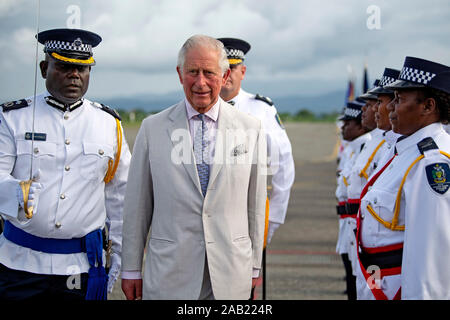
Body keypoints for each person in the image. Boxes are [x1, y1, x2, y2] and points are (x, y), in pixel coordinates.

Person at [120, 35, 267, 300]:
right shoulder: (152, 129)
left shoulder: (251, 129)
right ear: (179, 74)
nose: (200, 82)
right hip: (169, 275)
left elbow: (255, 205)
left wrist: (255, 264)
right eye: (192, 72)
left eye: (209, 73)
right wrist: (130, 269)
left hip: (230, 274)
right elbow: (137, 206)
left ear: (224, 76)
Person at [0, 28, 131, 300]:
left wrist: (121, 254)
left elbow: (120, 197)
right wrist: (14, 193)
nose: (75, 75)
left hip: (81, 267)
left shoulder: (109, 125)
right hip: (18, 265)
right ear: (44, 68)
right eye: (64, 66)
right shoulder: (13, 118)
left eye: (82, 68)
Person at [356, 56, 450, 300]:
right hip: (380, 283)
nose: (388, 107)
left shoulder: (431, 162)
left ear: (428, 107)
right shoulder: (405, 150)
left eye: (399, 99)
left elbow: (431, 258)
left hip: (399, 289)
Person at [217, 37, 295, 245]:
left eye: (232, 68)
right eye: (222, 68)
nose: (227, 74)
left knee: (249, 277)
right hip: (208, 214)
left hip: (248, 213)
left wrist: (274, 217)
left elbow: (283, 162)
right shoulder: (200, 108)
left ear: (242, 72)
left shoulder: (261, 109)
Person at [335, 99, 371, 300]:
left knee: (358, 284)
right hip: (347, 223)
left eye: (348, 123)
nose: (343, 127)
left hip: (357, 224)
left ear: (360, 126)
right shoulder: (354, 148)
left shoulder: (369, 148)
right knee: (352, 280)